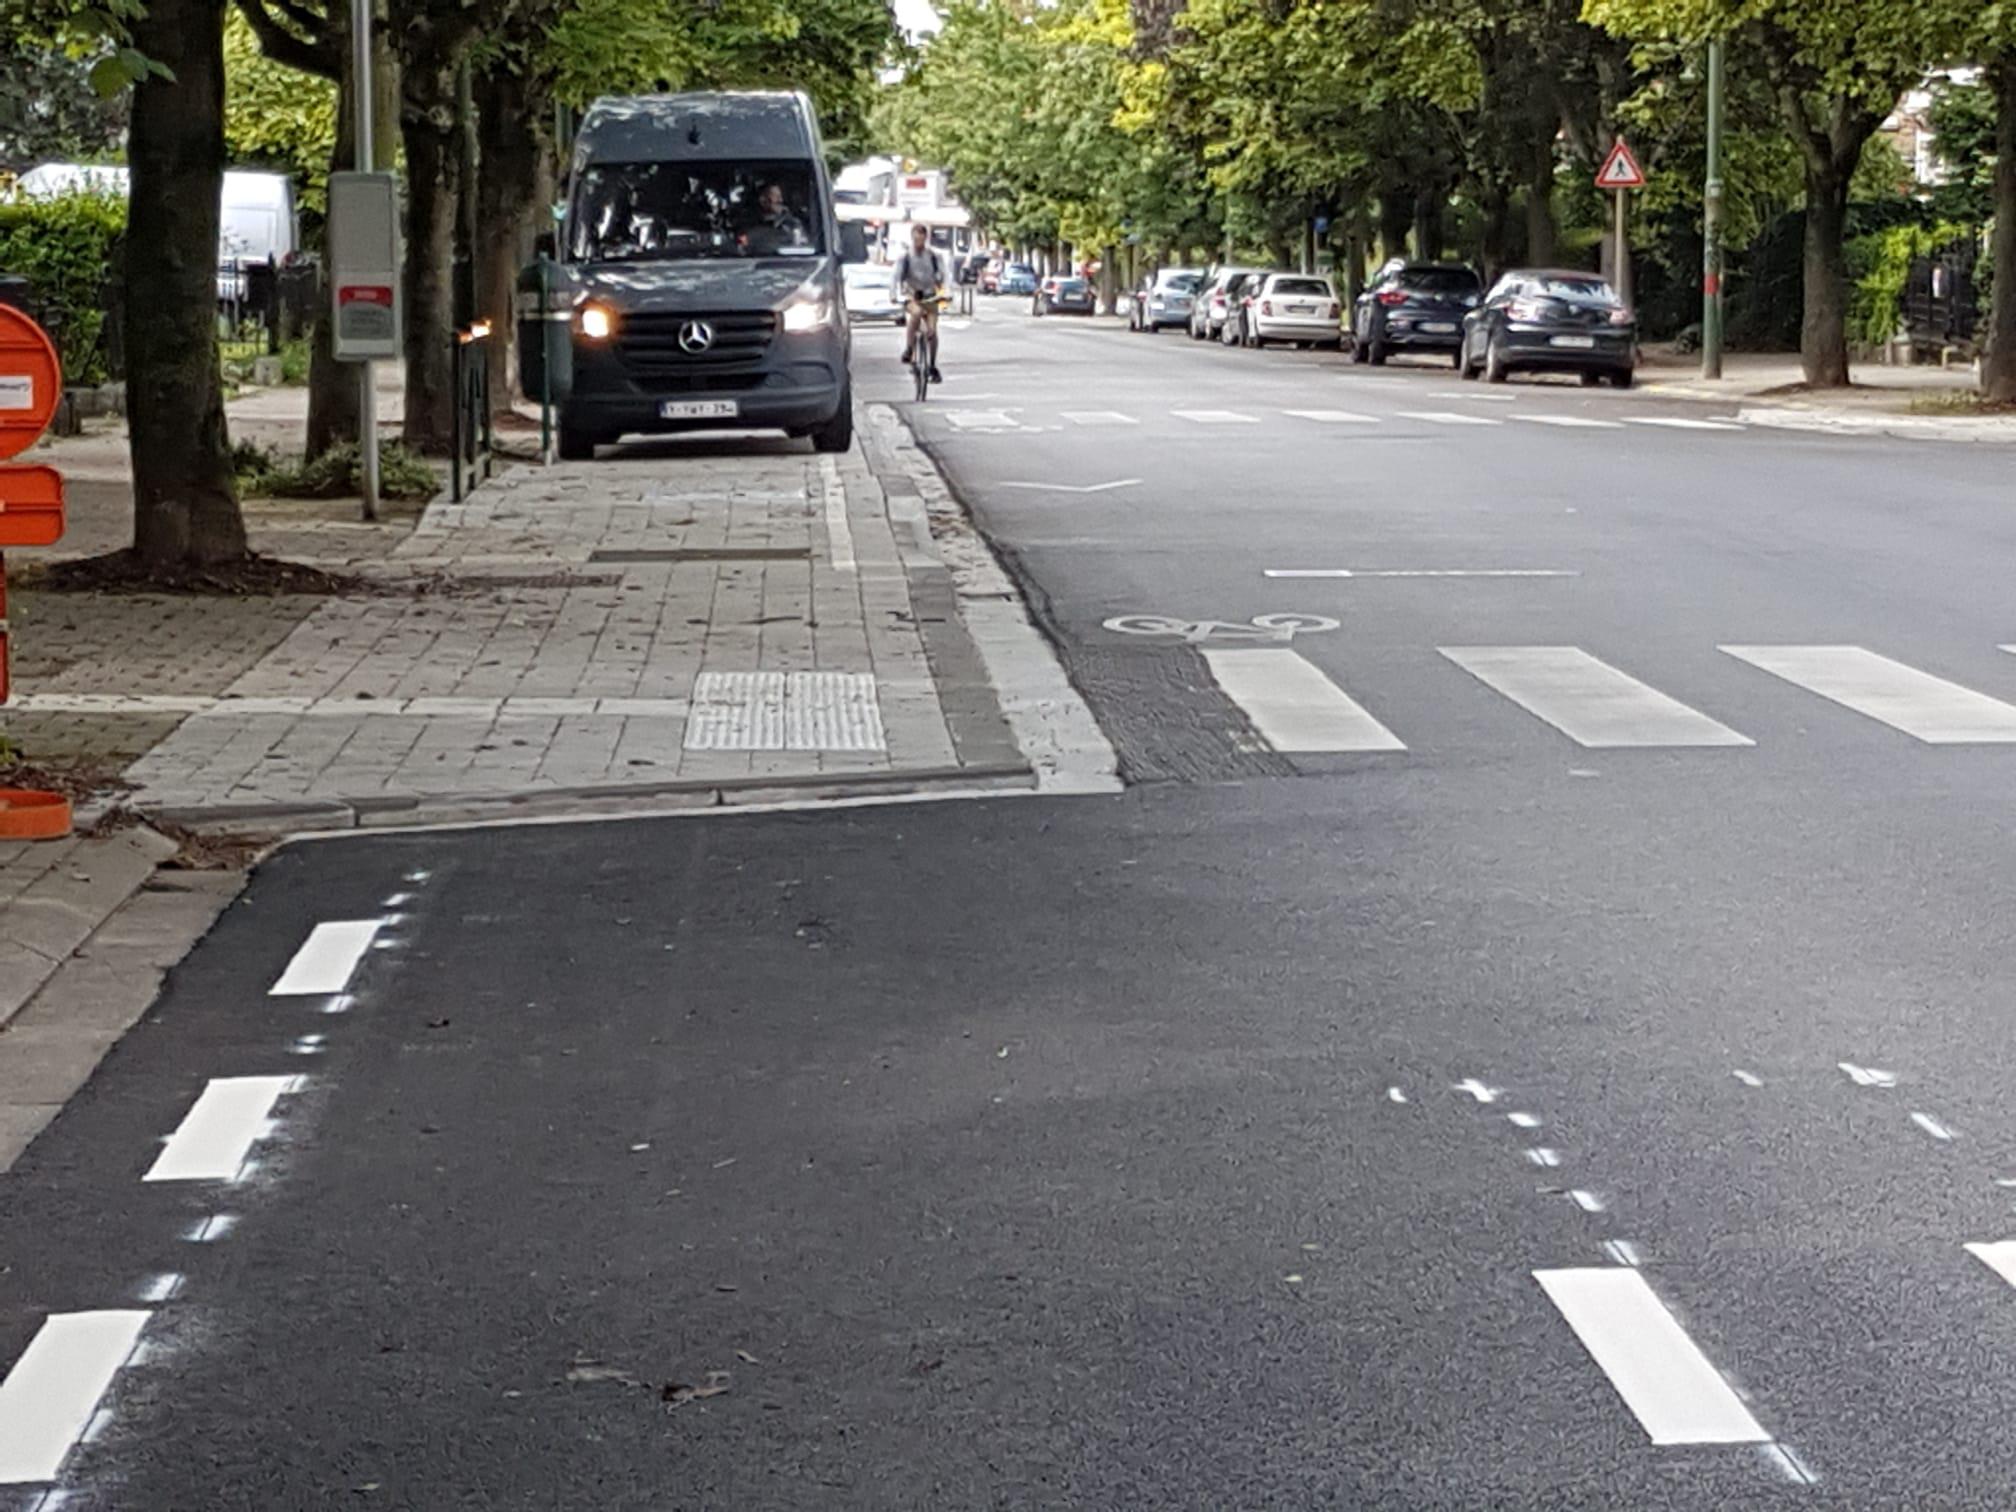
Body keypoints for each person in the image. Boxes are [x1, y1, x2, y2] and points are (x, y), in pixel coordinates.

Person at [891, 223, 951, 382]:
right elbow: (895, 277)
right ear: (912, 238)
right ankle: (909, 349)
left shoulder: (933, 256)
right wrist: (893, 293)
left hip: (930, 296)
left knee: (932, 331)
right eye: (916, 239)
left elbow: (945, 275)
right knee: (916, 313)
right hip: (912, 295)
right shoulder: (905, 257)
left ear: (925, 239)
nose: (918, 243)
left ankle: (931, 365)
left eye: (921, 239)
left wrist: (947, 292)